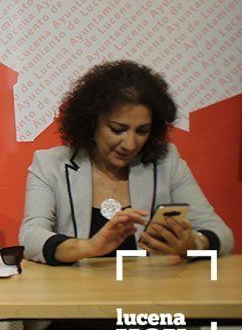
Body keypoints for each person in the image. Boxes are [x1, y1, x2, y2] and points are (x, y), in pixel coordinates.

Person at [20, 61, 234, 265]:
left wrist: (193, 244)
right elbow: (30, 237)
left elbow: (222, 235)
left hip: (151, 299)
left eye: (142, 131)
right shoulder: (50, 164)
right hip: (78, 298)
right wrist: (89, 247)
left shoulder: (167, 162)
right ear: (92, 122)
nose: (130, 144)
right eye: (117, 129)